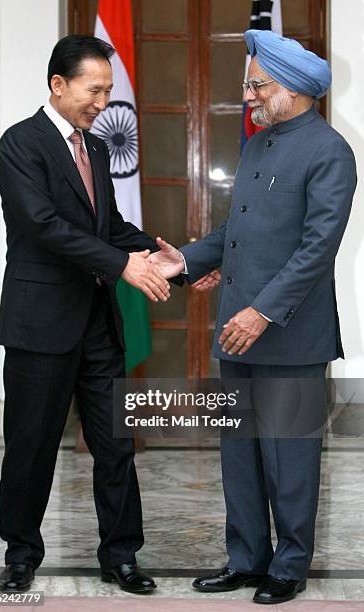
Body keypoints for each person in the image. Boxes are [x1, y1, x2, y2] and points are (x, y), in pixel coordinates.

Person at [149, 29, 357, 605]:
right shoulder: (257, 147)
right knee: (239, 457)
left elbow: (317, 249)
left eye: (256, 86)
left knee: (289, 457)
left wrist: (262, 312)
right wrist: (186, 260)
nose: (248, 97)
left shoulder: (330, 152)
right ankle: (246, 559)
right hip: (235, 333)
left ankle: (289, 566)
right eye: (249, 85)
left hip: (288, 335)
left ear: (291, 89)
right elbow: (234, 231)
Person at [0, 34, 173, 594]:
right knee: (32, 446)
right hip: (40, 323)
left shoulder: (94, 147)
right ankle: (21, 554)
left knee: (116, 445)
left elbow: (108, 227)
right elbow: (41, 225)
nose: (103, 102)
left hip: (97, 323)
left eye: (108, 90)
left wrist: (176, 259)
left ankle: (121, 556)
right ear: (59, 84)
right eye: (94, 90)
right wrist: (122, 264)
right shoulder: (20, 143)